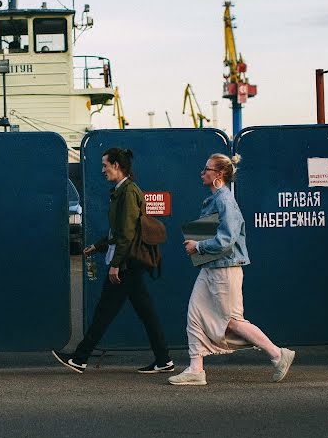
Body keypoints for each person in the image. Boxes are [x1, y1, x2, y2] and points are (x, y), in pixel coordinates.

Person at [168, 153, 295, 386]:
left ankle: (277, 354)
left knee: (233, 321)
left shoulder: (225, 200)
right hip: (211, 267)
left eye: (207, 169)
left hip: (225, 269)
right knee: (195, 315)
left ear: (219, 175)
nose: (202, 173)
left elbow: (227, 239)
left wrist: (198, 245)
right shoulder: (217, 199)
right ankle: (196, 369)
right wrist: (199, 245)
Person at [52, 148, 174, 374]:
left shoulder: (127, 192)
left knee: (107, 311)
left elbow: (126, 233)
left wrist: (116, 264)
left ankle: (80, 358)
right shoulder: (123, 190)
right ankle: (163, 358)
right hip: (129, 263)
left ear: (117, 165)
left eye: (105, 165)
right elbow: (118, 231)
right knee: (138, 312)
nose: (103, 170)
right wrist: (98, 246)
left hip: (127, 264)